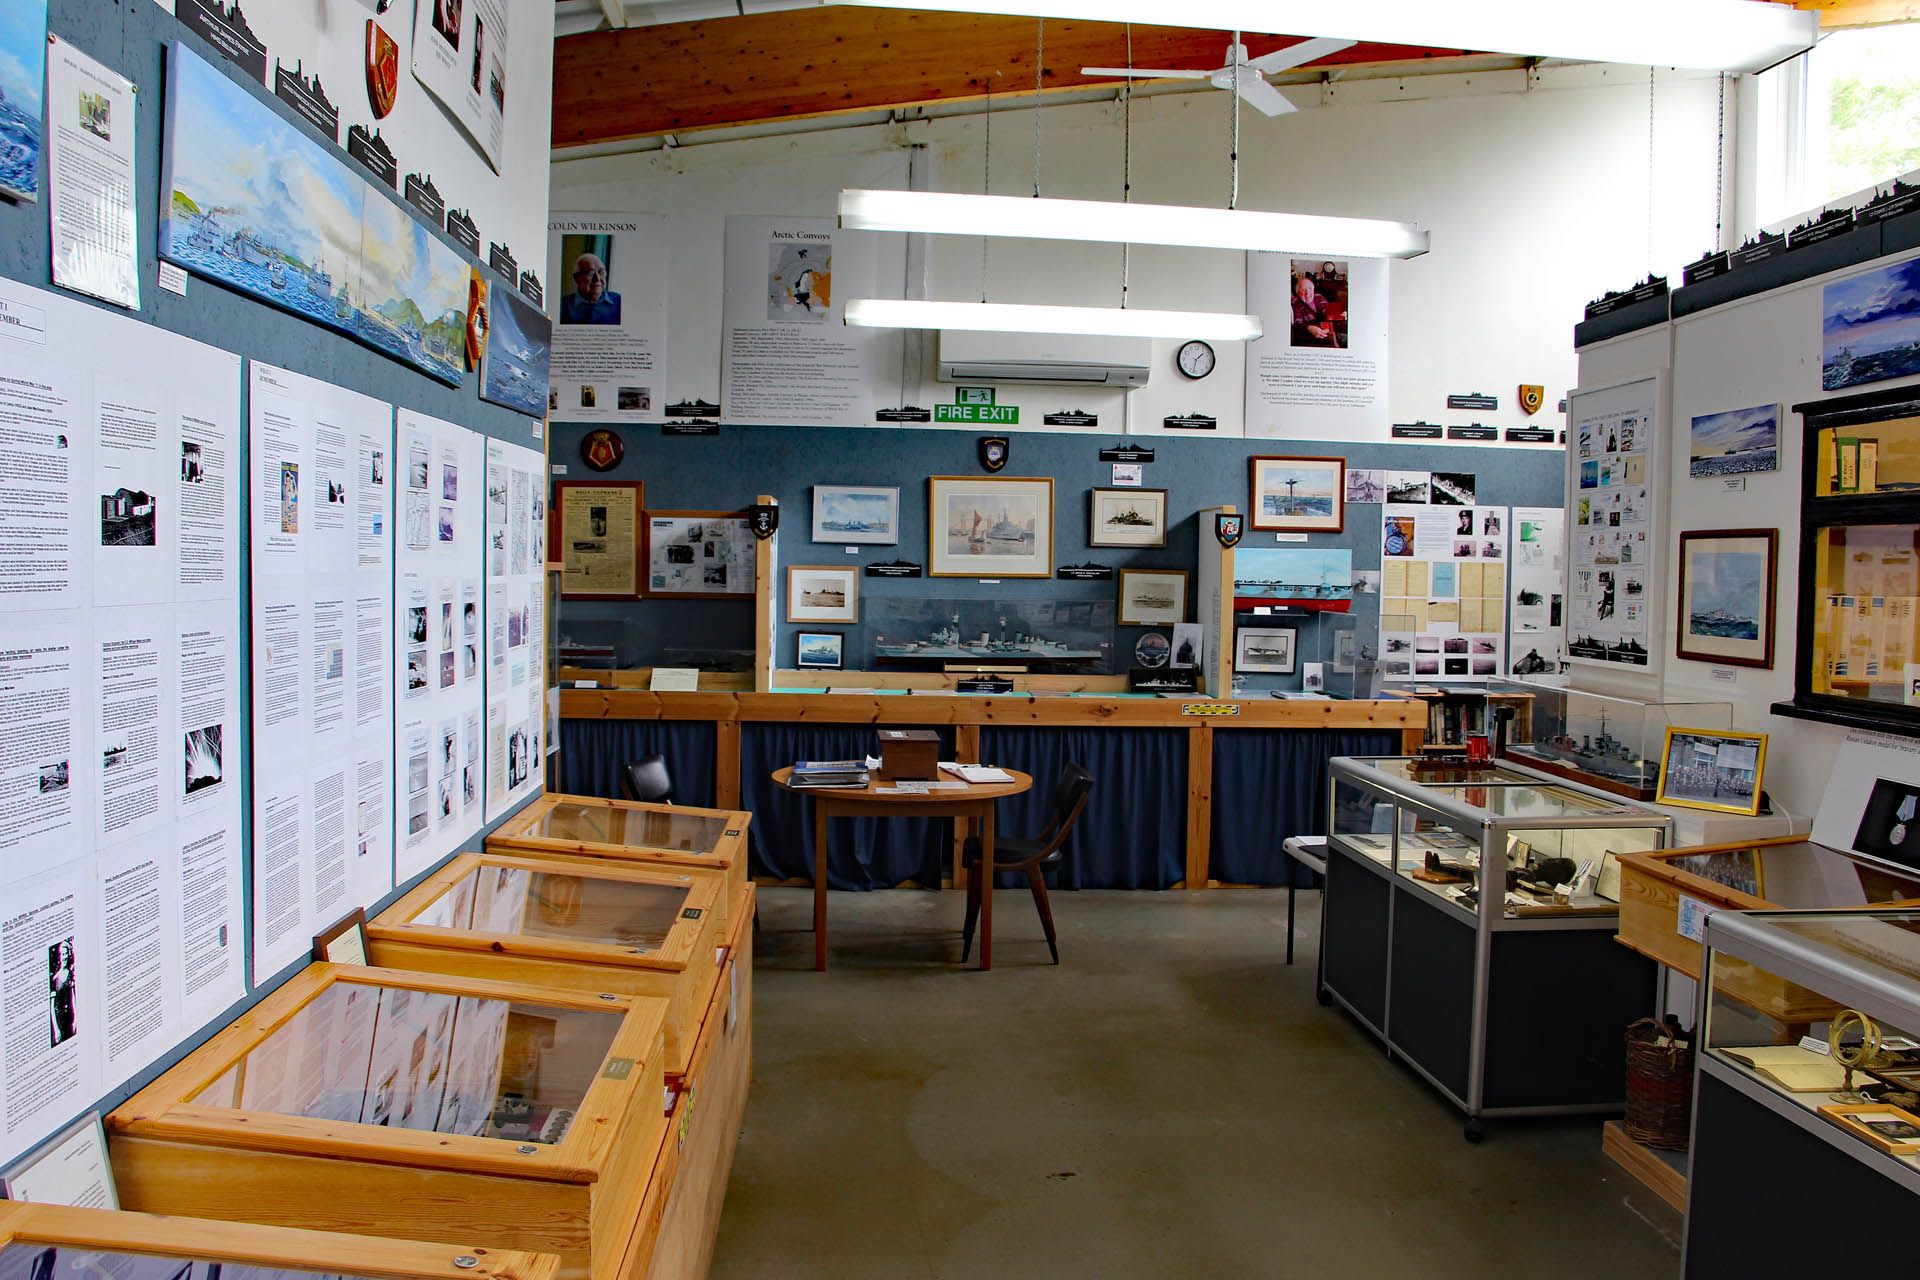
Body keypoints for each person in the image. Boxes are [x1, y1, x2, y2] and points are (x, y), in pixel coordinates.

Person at [561, 252, 621, 324]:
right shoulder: (563, 305)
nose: (597, 279)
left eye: (601, 272)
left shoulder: (619, 301)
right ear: (576, 278)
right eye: (590, 273)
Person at [1290, 273, 1339, 347]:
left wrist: (1339, 313)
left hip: (1331, 331)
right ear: (1297, 293)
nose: (1307, 293)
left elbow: (1326, 309)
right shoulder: (1296, 304)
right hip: (1315, 337)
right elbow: (1297, 324)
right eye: (1303, 290)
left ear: (1313, 289)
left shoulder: (1318, 296)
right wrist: (1309, 328)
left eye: (1310, 289)